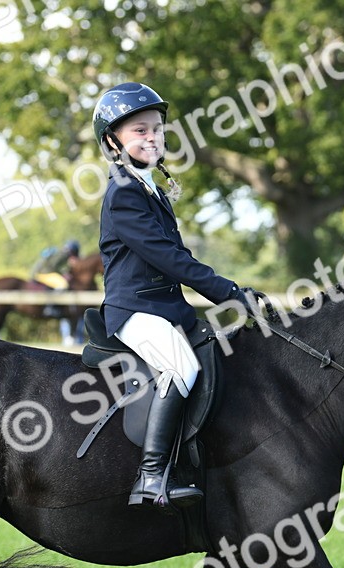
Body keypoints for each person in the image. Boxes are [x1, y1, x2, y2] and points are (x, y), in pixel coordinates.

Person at [92, 82, 257, 511]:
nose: (151, 137)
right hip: (135, 310)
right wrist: (228, 292)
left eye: (157, 130)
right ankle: (149, 476)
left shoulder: (153, 192)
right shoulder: (125, 194)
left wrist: (234, 293)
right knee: (180, 366)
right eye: (138, 131)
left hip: (167, 309)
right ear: (113, 141)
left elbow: (180, 256)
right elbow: (168, 259)